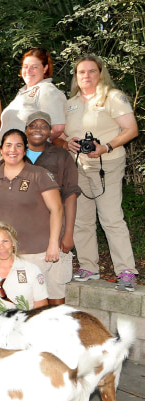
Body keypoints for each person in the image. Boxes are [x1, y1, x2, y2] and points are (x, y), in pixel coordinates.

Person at [62, 54, 139, 291]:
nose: (86, 76)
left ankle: (126, 271)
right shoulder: (71, 102)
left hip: (107, 165)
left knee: (110, 218)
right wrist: (68, 142)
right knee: (82, 219)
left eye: (91, 71)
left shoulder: (112, 97)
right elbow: (63, 134)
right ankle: (88, 266)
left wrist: (106, 147)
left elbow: (131, 129)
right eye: (81, 72)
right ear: (76, 76)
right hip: (79, 166)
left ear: (100, 73)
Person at [0, 129, 63, 284]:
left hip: (33, 251)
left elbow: (57, 209)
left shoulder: (39, 174)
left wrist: (54, 243)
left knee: (32, 301)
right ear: (1, 150)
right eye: (8, 145)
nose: (12, 150)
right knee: (1, 297)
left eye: (18, 146)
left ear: (25, 150)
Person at [25, 111, 81, 305]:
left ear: (50, 131)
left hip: (54, 235)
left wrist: (68, 234)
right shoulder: (14, 155)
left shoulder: (61, 156)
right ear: (26, 130)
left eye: (43, 126)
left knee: (55, 293)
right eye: (33, 125)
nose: (38, 130)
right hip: (25, 240)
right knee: (29, 297)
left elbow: (70, 195)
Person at [0, 221, 49, 322]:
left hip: (28, 325)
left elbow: (41, 306)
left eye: (5, 241)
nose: (1, 247)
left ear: (13, 243)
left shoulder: (32, 270)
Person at [0, 48, 66, 140]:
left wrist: (34, 146)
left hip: (28, 152)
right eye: (25, 66)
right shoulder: (22, 93)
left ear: (45, 68)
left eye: (34, 67)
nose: (28, 70)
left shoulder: (46, 90)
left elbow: (57, 128)